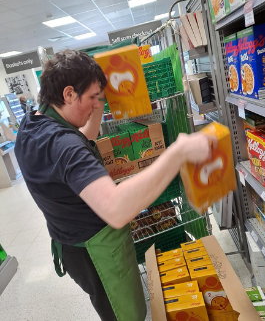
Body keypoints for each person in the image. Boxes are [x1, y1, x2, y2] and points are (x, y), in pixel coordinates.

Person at [15, 50, 215, 321]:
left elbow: (84, 137)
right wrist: (177, 153)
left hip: (71, 245)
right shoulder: (63, 145)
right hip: (97, 253)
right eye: (92, 98)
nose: (97, 105)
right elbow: (116, 209)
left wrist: (100, 96)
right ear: (69, 94)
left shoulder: (33, 125)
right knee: (125, 316)